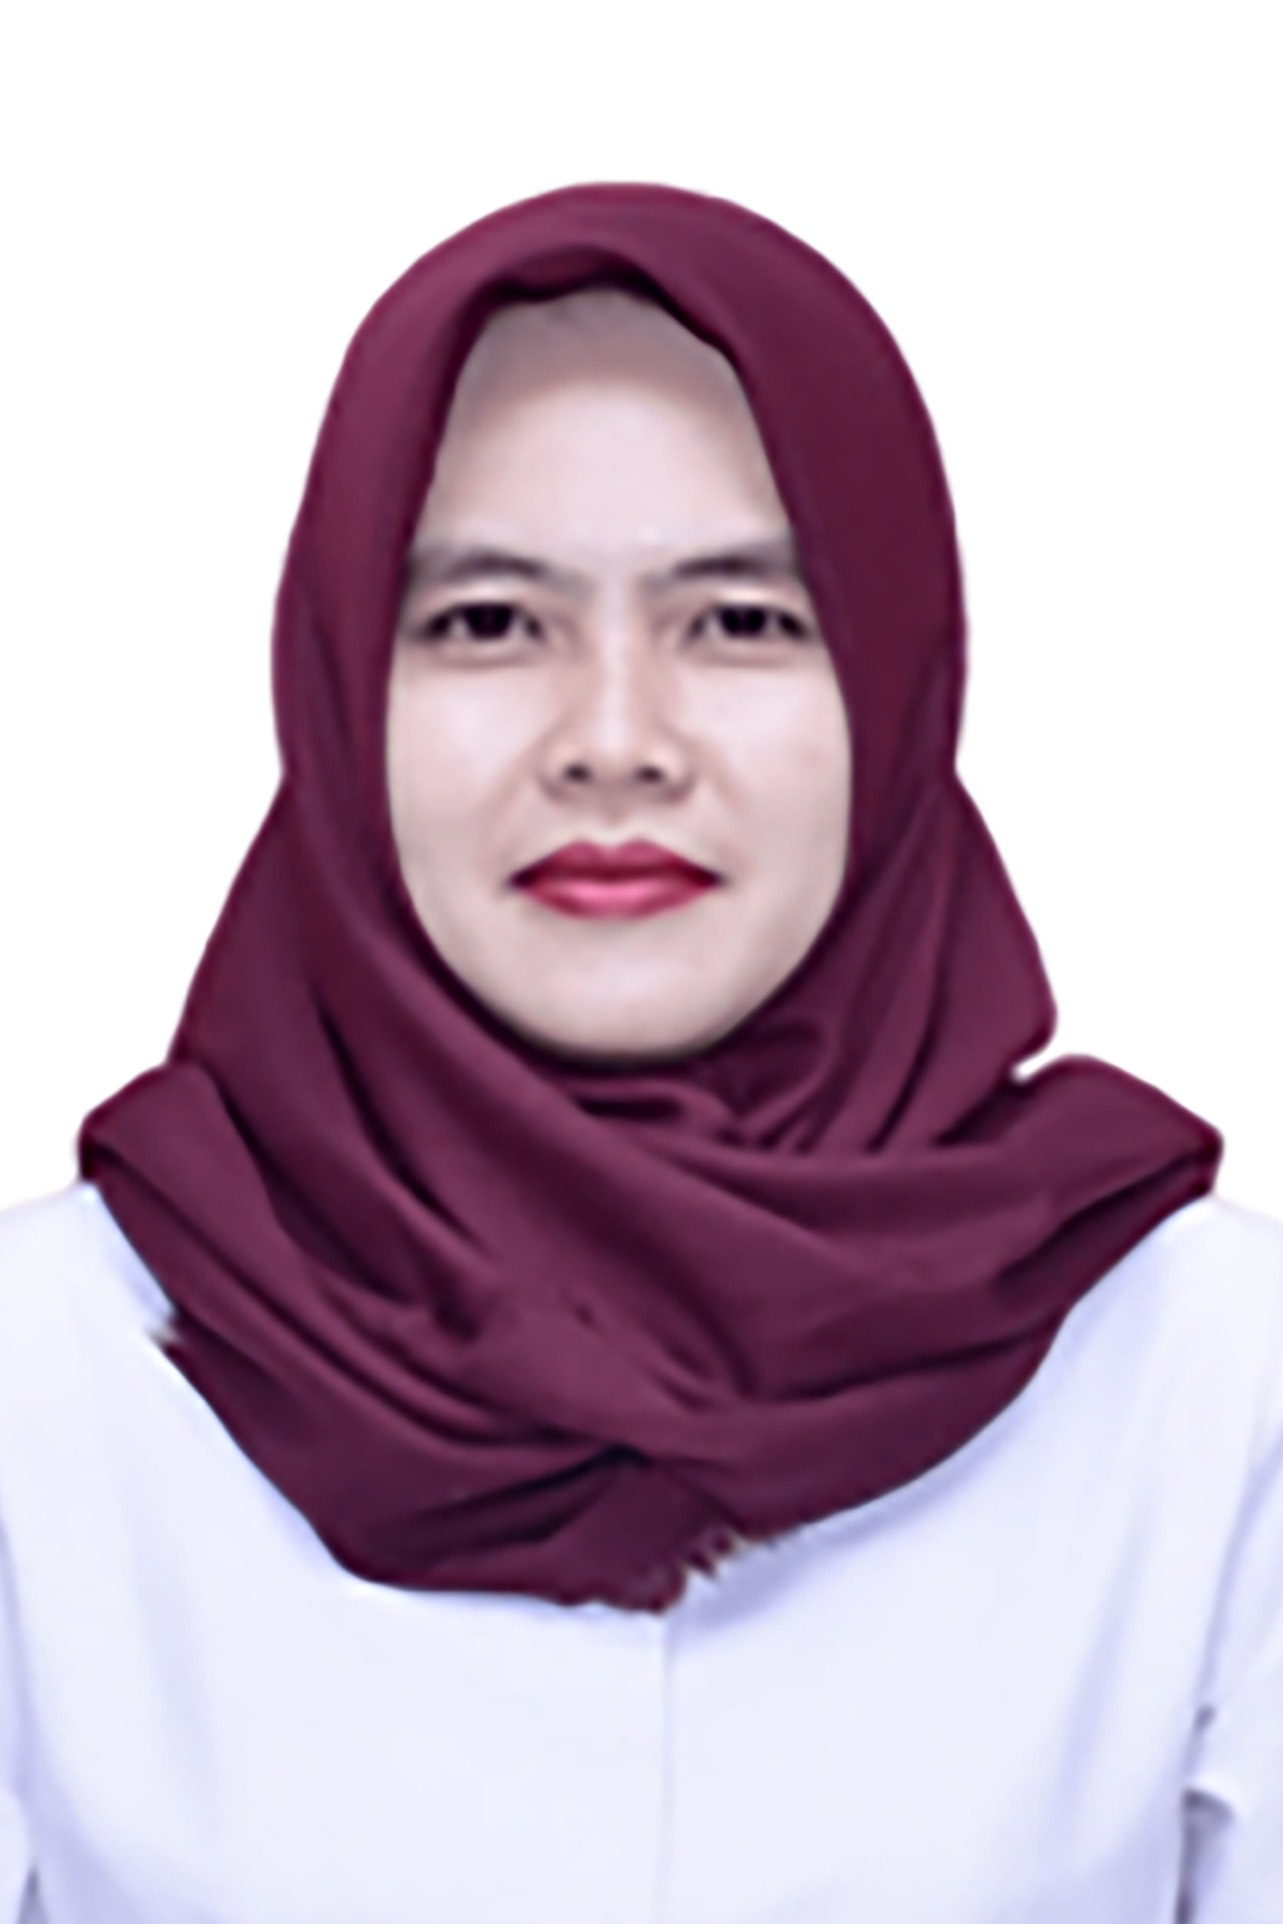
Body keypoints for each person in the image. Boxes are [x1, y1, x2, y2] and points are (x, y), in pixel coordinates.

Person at [0, 182, 1279, 1923]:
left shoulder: (1208, 1382)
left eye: (742, 621)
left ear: (898, 685)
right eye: (486, 623)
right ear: (340, 687)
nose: (615, 740)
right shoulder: (50, 1378)